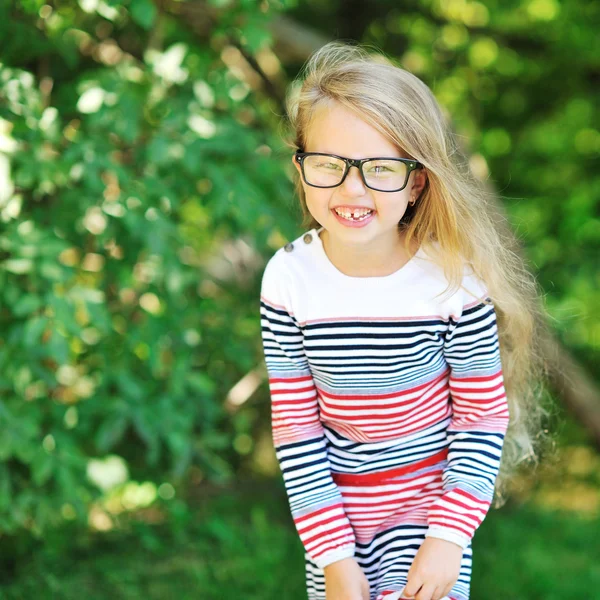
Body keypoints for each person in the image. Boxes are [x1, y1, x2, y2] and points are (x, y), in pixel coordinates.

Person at [259, 41, 550, 600]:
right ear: (301, 167)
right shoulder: (288, 280)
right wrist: (334, 560)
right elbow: (298, 430)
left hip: (430, 512)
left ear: (416, 181)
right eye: (328, 164)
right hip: (336, 520)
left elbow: (480, 418)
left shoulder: (451, 282)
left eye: (381, 169)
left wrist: (447, 538)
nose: (352, 189)